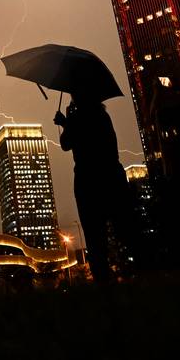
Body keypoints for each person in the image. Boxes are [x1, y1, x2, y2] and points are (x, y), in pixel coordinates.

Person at [54, 92, 133, 282]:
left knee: (95, 236)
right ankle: (134, 274)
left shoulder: (77, 117)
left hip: (88, 180)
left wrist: (66, 122)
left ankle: (104, 282)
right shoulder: (103, 115)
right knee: (124, 230)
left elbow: (66, 143)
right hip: (113, 176)